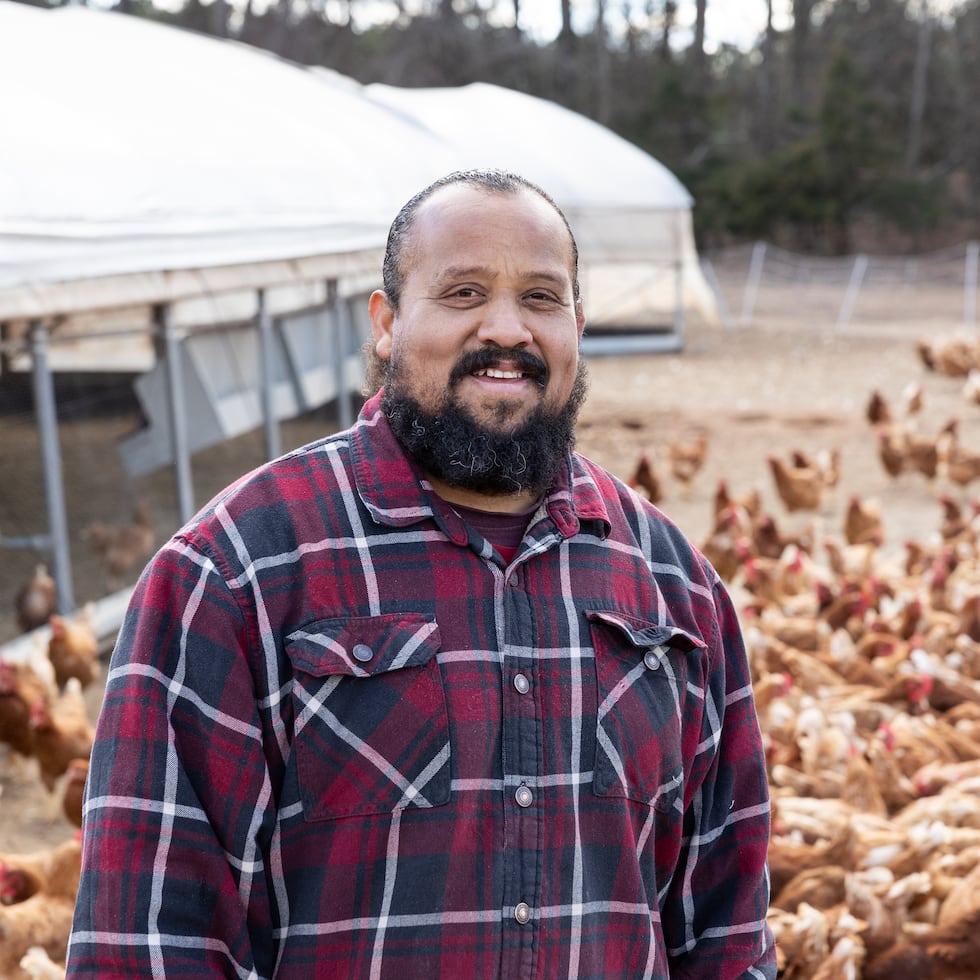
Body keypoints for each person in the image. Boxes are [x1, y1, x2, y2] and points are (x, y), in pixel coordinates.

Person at [67, 169, 776, 978]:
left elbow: (728, 934)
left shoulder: (673, 585)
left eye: (541, 298)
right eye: (464, 292)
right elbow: (146, 941)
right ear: (386, 323)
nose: (506, 328)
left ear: (577, 327)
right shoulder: (238, 569)